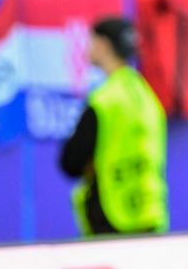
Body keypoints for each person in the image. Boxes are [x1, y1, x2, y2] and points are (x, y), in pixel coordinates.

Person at [60, 17, 168, 236]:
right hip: (149, 209)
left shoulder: (104, 100)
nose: (88, 49)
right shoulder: (146, 95)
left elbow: (71, 162)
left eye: (92, 42)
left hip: (110, 212)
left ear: (104, 45)